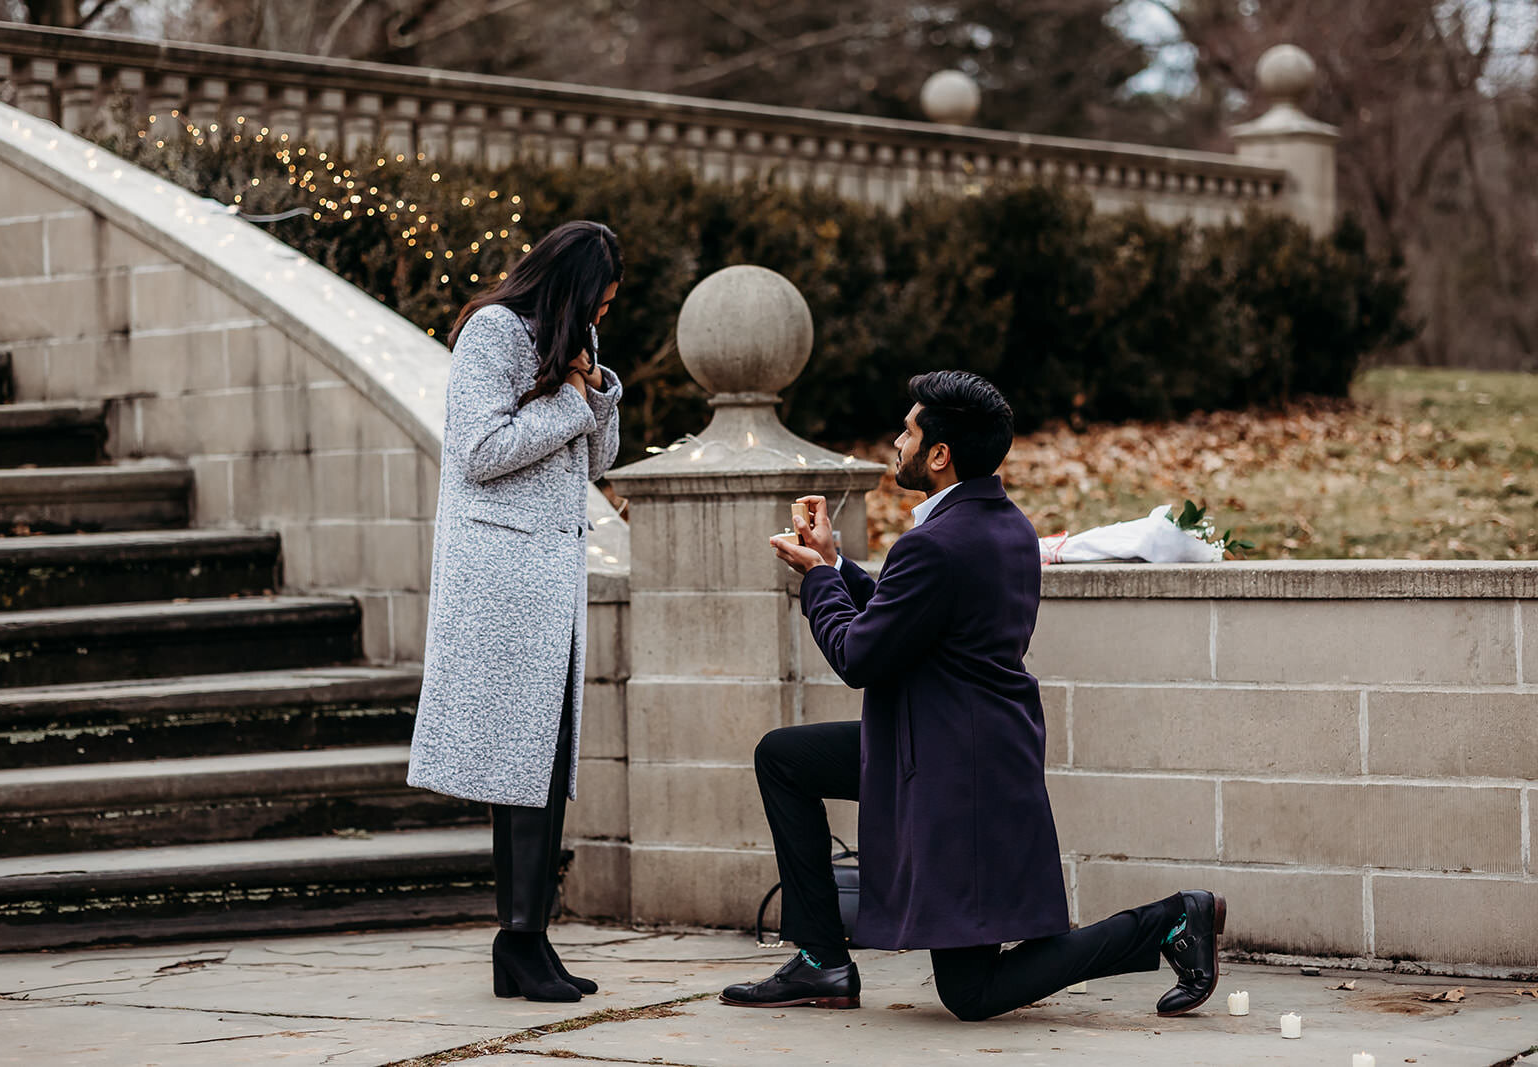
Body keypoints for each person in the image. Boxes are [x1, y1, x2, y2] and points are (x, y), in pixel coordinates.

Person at [720, 370, 1225, 1022]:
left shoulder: (935, 543)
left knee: (972, 990)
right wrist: (839, 563)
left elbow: (858, 655)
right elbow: (905, 619)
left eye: (908, 431)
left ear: (938, 453)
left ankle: (1169, 920)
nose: (896, 442)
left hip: (955, 772)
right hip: (953, 746)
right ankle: (823, 958)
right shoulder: (1001, 523)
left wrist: (817, 578)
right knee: (785, 757)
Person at [407, 220, 624, 1003]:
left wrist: (598, 393)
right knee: (522, 761)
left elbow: (598, 463)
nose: (601, 319)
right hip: (502, 576)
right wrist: (570, 397)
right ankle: (520, 940)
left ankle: (528, 938)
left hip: (551, 580)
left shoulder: (572, 346)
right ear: (568, 287)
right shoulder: (491, 334)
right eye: (596, 304)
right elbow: (479, 450)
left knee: (545, 761)